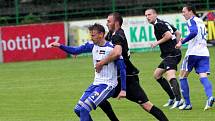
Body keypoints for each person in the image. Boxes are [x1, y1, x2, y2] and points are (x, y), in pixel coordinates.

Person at [96, 12, 169, 121]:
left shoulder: (118, 36)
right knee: (98, 98)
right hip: (116, 78)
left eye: (108, 21)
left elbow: (117, 53)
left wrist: (101, 63)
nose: (106, 23)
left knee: (146, 105)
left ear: (116, 23)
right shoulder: (112, 34)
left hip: (129, 78)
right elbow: (100, 42)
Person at [48, 23, 127, 121]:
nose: (91, 37)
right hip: (95, 84)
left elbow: (122, 69)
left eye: (93, 35)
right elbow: (75, 50)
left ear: (101, 35)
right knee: (78, 109)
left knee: (84, 109)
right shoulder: (92, 46)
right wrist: (60, 45)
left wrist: (123, 89)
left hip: (108, 85)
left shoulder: (112, 49)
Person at [175, 4, 214, 110]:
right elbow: (196, 34)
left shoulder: (191, 20)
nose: (183, 14)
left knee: (182, 77)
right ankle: (210, 97)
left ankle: (187, 104)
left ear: (190, 11)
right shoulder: (200, 21)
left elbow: (194, 32)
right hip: (204, 53)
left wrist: (181, 42)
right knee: (203, 76)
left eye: (184, 11)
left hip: (193, 53)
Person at [145, 8, 183, 109]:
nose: (147, 17)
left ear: (155, 15)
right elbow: (178, 33)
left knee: (170, 75)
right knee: (157, 75)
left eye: (149, 15)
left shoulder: (158, 24)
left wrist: (156, 43)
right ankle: (172, 98)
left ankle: (179, 100)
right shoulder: (163, 22)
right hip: (172, 54)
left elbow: (169, 35)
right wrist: (177, 44)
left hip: (171, 54)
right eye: (146, 15)